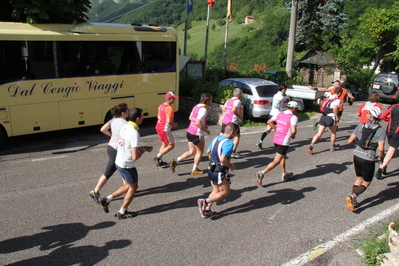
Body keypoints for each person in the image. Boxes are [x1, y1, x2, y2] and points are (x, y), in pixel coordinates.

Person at [99, 108, 153, 220]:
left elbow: (127, 146)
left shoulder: (125, 126)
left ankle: (107, 199)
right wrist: (143, 151)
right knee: (133, 188)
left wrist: (143, 148)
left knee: (129, 185)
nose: (142, 118)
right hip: (127, 164)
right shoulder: (134, 133)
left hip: (119, 161)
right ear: (138, 119)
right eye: (142, 116)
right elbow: (134, 156)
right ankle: (122, 212)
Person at [346, 107, 385, 211]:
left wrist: (358, 144)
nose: (366, 114)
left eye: (368, 113)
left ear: (371, 115)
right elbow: (381, 149)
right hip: (368, 158)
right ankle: (352, 197)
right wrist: (381, 159)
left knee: (359, 178)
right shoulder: (380, 131)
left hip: (357, 155)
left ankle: (353, 201)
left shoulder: (360, 126)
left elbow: (350, 141)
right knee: (367, 182)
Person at [90, 103, 129, 203]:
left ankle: (127, 187)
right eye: (127, 110)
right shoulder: (125, 123)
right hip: (117, 149)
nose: (129, 112)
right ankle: (95, 191)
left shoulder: (113, 120)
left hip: (111, 147)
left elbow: (103, 129)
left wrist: (112, 135)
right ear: (123, 113)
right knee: (109, 172)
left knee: (122, 168)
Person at [197, 123, 238, 218]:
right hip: (219, 170)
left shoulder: (216, 138)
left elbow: (208, 151)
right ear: (232, 132)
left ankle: (206, 210)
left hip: (211, 168)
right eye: (235, 133)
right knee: (225, 192)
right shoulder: (228, 143)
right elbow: (223, 159)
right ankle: (204, 201)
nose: (235, 135)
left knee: (216, 190)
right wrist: (231, 166)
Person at [255, 101, 298, 185]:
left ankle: (284, 174)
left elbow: (269, 122)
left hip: (276, 139)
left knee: (283, 156)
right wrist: (293, 135)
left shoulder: (280, 113)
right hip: (284, 141)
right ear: (294, 108)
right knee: (277, 160)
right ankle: (262, 173)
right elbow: (293, 130)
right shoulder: (293, 117)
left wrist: (275, 128)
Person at [171, 93, 212, 175]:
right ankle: (194, 169)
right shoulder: (203, 109)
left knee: (192, 151)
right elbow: (198, 122)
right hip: (197, 134)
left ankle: (176, 161)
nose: (212, 101)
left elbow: (191, 118)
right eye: (211, 100)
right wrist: (206, 130)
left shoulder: (196, 106)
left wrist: (202, 124)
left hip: (189, 131)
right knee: (199, 152)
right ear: (207, 101)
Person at [306, 87, 342, 154]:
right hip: (331, 117)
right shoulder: (338, 100)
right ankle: (332, 146)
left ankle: (311, 145)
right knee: (333, 133)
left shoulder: (329, 97)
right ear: (339, 93)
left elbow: (324, 91)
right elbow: (335, 108)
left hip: (323, 116)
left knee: (319, 133)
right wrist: (337, 116)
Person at [256, 84, 290, 149]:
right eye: (286, 89)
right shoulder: (280, 96)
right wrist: (281, 110)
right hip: (276, 115)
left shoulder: (276, 95)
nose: (286, 90)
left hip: (271, 113)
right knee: (278, 129)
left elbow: (277, 102)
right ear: (283, 89)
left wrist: (285, 102)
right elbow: (275, 104)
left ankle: (260, 141)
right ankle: (278, 143)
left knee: (268, 129)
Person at [153, 92, 178, 166]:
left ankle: (159, 161)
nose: (174, 100)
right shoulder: (169, 108)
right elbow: (168, 121)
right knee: (171, 145)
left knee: (164, 144)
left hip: (158, 127)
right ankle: (157, 156)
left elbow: (158, 116)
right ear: (170, 99)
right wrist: (174, 124)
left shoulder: (161, 105)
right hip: (165, 129)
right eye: (173, 98)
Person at [374, 103, 399, 179]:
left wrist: (390, 120)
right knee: (391, 151)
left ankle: (384, 165)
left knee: (390, 150)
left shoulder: (393, 106)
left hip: (389, 129)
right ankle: (380, 170)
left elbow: (382, 116)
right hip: (397, 131)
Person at [220, 88, 243, 158]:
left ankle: (217, 149)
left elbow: (223, 108)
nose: (241, 95)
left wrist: (228, 111)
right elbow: (234, 110)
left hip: (225, 120)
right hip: (232, 121)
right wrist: (239, 116)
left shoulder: (229, 100)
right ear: (239, 94)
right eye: (241, 93)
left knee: (222, 135)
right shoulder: (237, 101)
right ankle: (233, 151)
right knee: (237, 135)